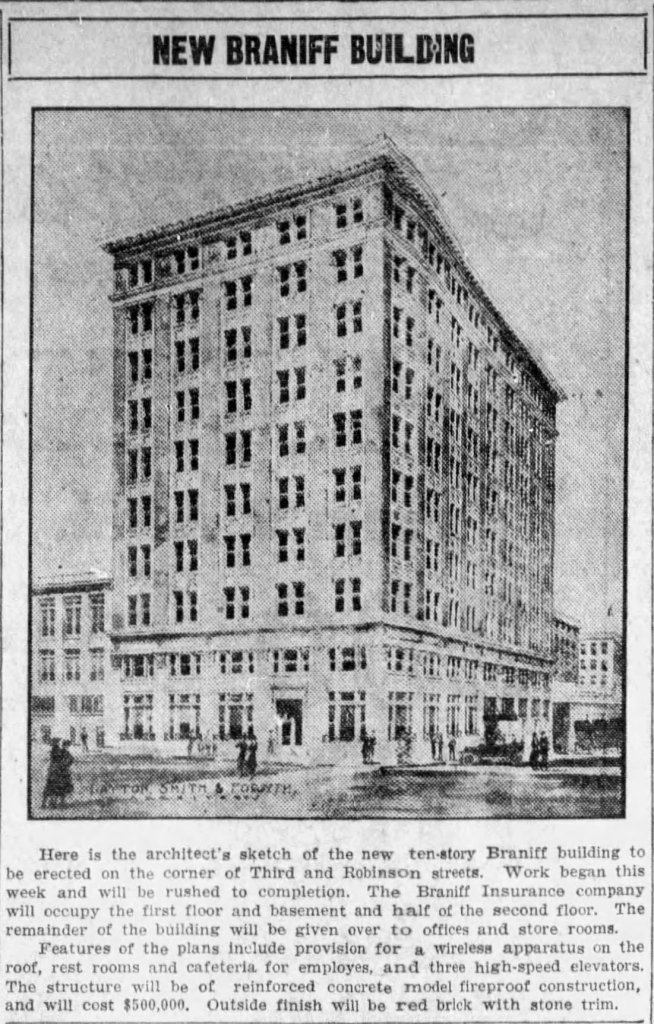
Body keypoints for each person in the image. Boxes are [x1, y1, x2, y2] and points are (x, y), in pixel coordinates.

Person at [42, 738, 61, 810]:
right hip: (55, 770)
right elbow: (58, 758)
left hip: (52, 769)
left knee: (48, 787)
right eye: (57, 742)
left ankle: (45, 803)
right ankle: (52, 803)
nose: (58, 743)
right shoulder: (56, 749)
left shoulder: (53, 749)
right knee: (54, 787)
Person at [56, 740, 75, 808]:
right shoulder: (65, 752)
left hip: (60, 771)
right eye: (67, 746)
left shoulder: (61, 752)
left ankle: (60, 802)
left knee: (60, 787)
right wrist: (66, 765)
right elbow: (72, 759)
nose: (68, 747)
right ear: (65, 746)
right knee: (63, 787)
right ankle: (62, 802)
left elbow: (72, 759)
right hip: (64, 772)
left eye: (68, 746)